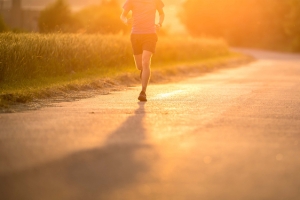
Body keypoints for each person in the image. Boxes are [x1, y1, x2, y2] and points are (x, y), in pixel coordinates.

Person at [120, 0, 165, 101]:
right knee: (140, 66)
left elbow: (162, 14)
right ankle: (143, 71)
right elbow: (122, 15)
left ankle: (143, 91)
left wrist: (159, 24)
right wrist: (126, 20)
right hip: (135, 35)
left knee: (145, 61)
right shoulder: (131, 1)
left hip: (150, 35)